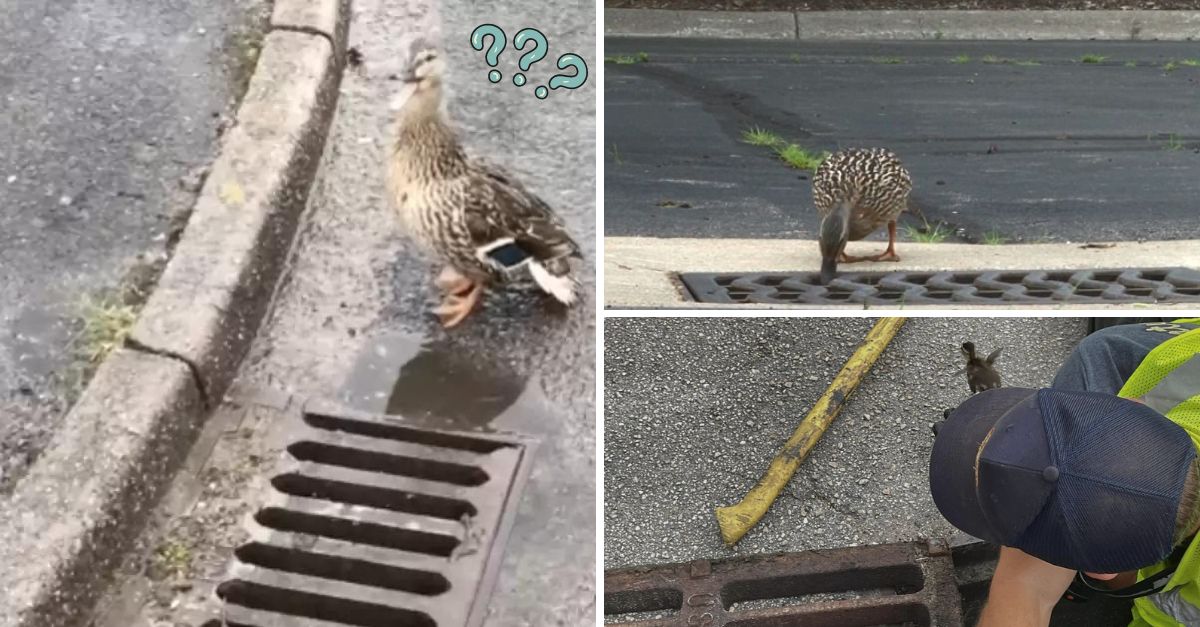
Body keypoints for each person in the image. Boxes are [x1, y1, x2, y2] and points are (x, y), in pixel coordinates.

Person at [929, 319, 1200, 627]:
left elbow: (1024, 592)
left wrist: (1023, 582)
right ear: (1129, 403)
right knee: (1096, 352)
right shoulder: (1162, 361)